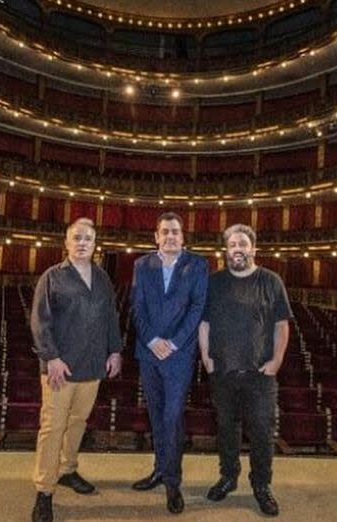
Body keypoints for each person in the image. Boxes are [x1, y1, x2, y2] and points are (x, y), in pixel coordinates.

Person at [30, 218, 123, 522]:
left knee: (78, 421)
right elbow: (39, 322)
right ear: (67, 243)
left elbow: (111, 316)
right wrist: (51, 357)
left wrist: (115, 350)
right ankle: (44, 490)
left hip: (93, 364)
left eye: (88, 239)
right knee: (52, 427)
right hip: (60, 368)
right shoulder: (52, 277)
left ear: (95, 245)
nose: (83, 243)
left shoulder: (103, 278)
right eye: (77, 238)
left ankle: (68, 469)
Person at [198, 223, 292, 517]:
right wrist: (207, 359)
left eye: (242, 244)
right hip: (223, 372)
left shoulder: (271, 281)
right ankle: (228, 477)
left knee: (262, 433)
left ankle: (261, 485)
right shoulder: (214, 282)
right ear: (225, 250)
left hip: (260, 375)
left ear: (253, 248)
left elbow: (281, 325)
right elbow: (204, 323)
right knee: (227, 430)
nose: (237, 249)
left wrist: (276, 362)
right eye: (232, 245)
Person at [130, 212, 208, 514]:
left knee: (172, 415)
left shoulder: (197, 264)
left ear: (183, 236)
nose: (170, 236)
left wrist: (173, 342)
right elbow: (136, 307)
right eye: (165, 231)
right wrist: (152, 340)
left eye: (175, 231)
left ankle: (173, 482)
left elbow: (198, 306)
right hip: (148, 353)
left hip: (179, 354)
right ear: (156, 236)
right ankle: (160, 469)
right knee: (156, 413)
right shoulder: (141, 265)